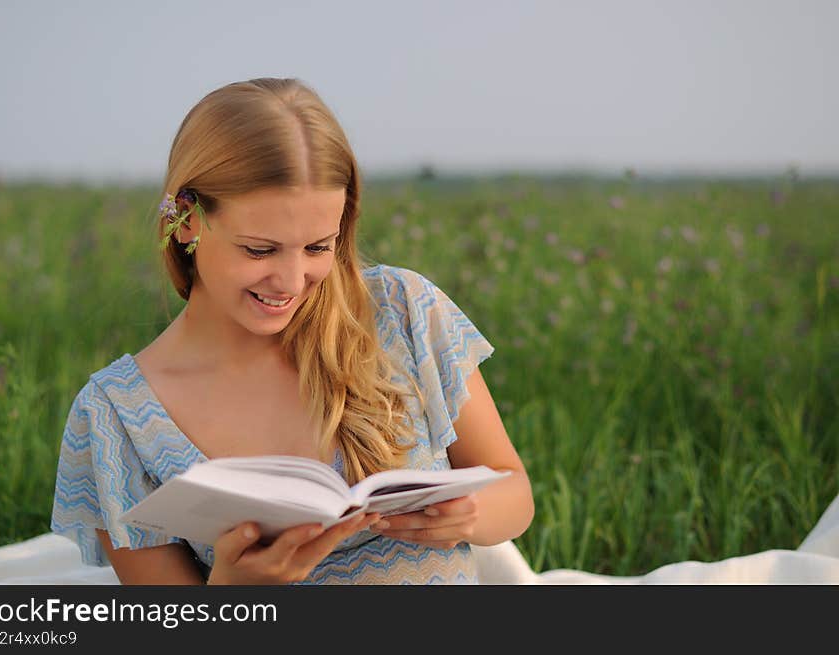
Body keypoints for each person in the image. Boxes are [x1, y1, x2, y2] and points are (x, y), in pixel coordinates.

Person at [50, 77, 534, 585]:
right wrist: (238, 590)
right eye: (260, 250)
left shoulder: (401, 311)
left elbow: (514, 492)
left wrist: (471, 512)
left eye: (318, 247)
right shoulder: (114, 418)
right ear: (188, 219)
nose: (290, 281)